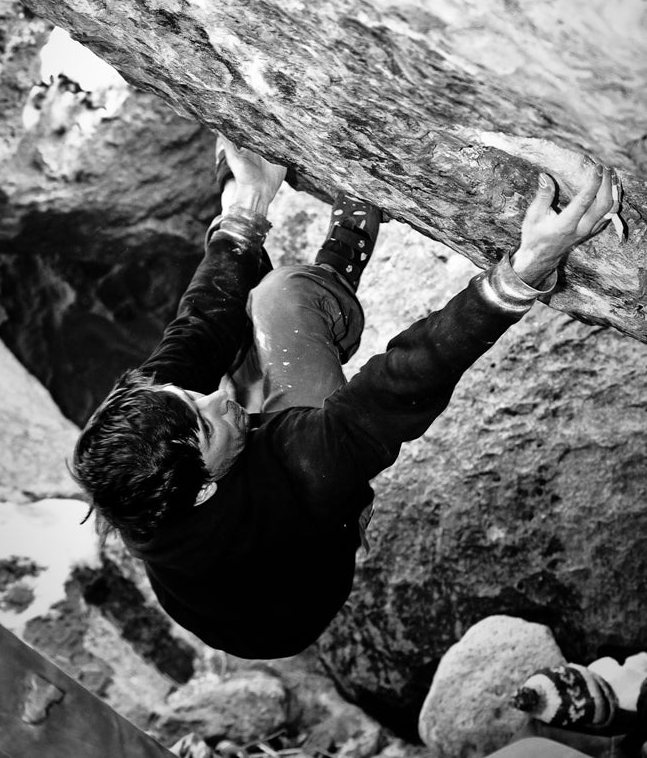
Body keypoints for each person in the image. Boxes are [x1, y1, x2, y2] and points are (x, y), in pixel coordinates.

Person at [72, 138, 618, 659]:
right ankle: (332, 270)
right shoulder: (300, 470)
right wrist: (524, 273)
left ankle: (253, 233)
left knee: (226, 338)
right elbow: (399, 384)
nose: (212, 397)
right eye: (208, 425)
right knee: (284, 299)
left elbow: (194, 333)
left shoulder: (145, 431)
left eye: (191, 396)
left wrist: (245, 210)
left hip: (228, 558)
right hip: (296, 592)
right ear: (202, 492)